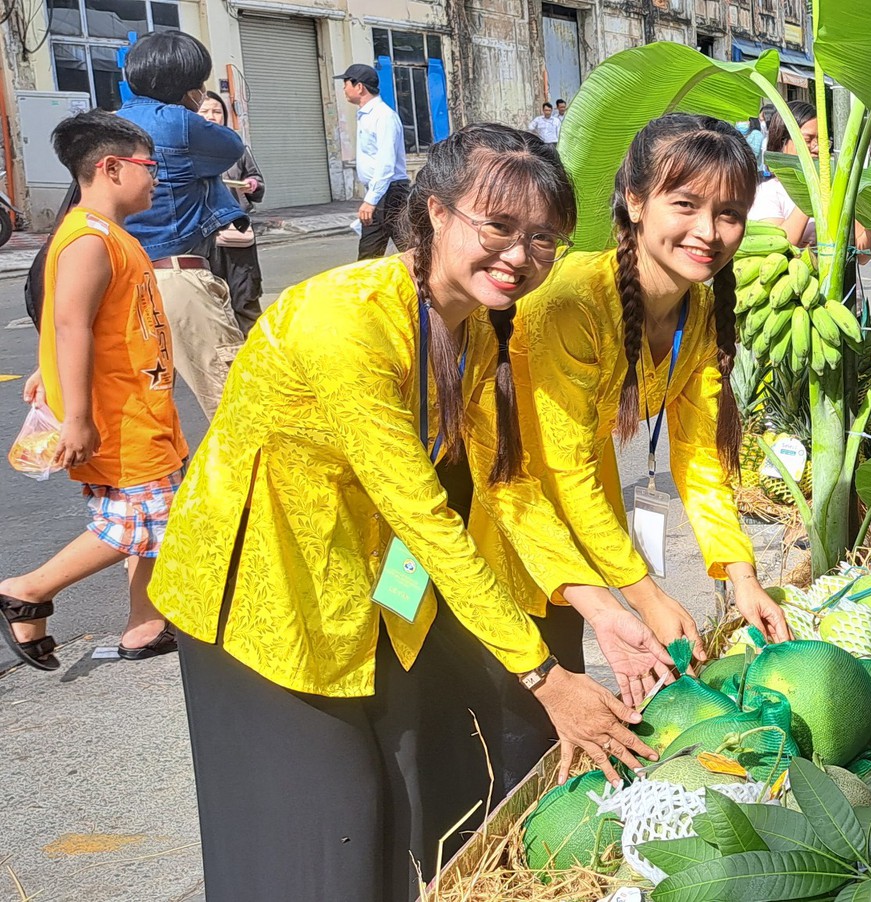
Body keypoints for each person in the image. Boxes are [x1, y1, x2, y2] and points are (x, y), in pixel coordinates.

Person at [149, 125, 677, 902]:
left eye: (544, 239)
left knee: (408, 812)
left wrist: (601, 605)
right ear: (435, 213)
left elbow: (511, 486)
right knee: (321, 835)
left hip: (369, 595)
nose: (520, 255)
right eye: (498, 226)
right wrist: (543, 676)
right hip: (260, 602)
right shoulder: (346, 322)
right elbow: (425, 515)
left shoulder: (484, 330)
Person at [510, 113, 795, 652]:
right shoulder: (572, 302)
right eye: (685, 205)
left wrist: (743, 578)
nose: (709, 232)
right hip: (510, 513)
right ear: (635, 202)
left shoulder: (703, 306)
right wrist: (647, 597)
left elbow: (698, 453)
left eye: (729, 213)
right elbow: (564, 469)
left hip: (582, 537)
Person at [1, 112, 185, 670]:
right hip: (117, 414)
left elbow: (77, 322)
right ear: (109, 168)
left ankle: (145, 625)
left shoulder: (107, 236)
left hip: (139, 404)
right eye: (149, 167)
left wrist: (46, 371)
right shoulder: (87, 239)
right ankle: (27, 590)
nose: (156, 178)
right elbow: (69, 323)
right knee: (142, 520)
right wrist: (77, 415)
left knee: (151, 520)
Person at [115, 31, 247, 419]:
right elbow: (231, 148)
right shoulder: (180, 125)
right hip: (176, 278)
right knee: (236, 410)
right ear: (190, 86)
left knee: (148, 414)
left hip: (125, 282)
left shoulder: (113, 125)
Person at [754, 101, 871, 263]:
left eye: (822, 141)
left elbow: (863, 255)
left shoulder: (837, 190)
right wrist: (809, 195)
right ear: (782, 142)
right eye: (808, 140)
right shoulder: (768, 193)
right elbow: (779, 248)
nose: (817, 148)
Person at [196, 91, 266, 333]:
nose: (211, 116)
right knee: (212, 301)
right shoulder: (186, 152)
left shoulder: (236, 148)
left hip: (238, 232)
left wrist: (253, 185)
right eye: (204, 111)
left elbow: (257, 179)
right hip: (205, 237)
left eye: (216, 111)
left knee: (245, 296)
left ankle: (259, 352)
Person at [340, 63, 411, 260]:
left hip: (389, 192)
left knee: (370, 255)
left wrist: (371, 200)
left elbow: (385, 162)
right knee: (408, 249)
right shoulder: (367, 115)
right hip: (384, 192)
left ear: (359, 86)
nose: (344, 89)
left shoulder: (383, 116)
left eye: (346, 83)